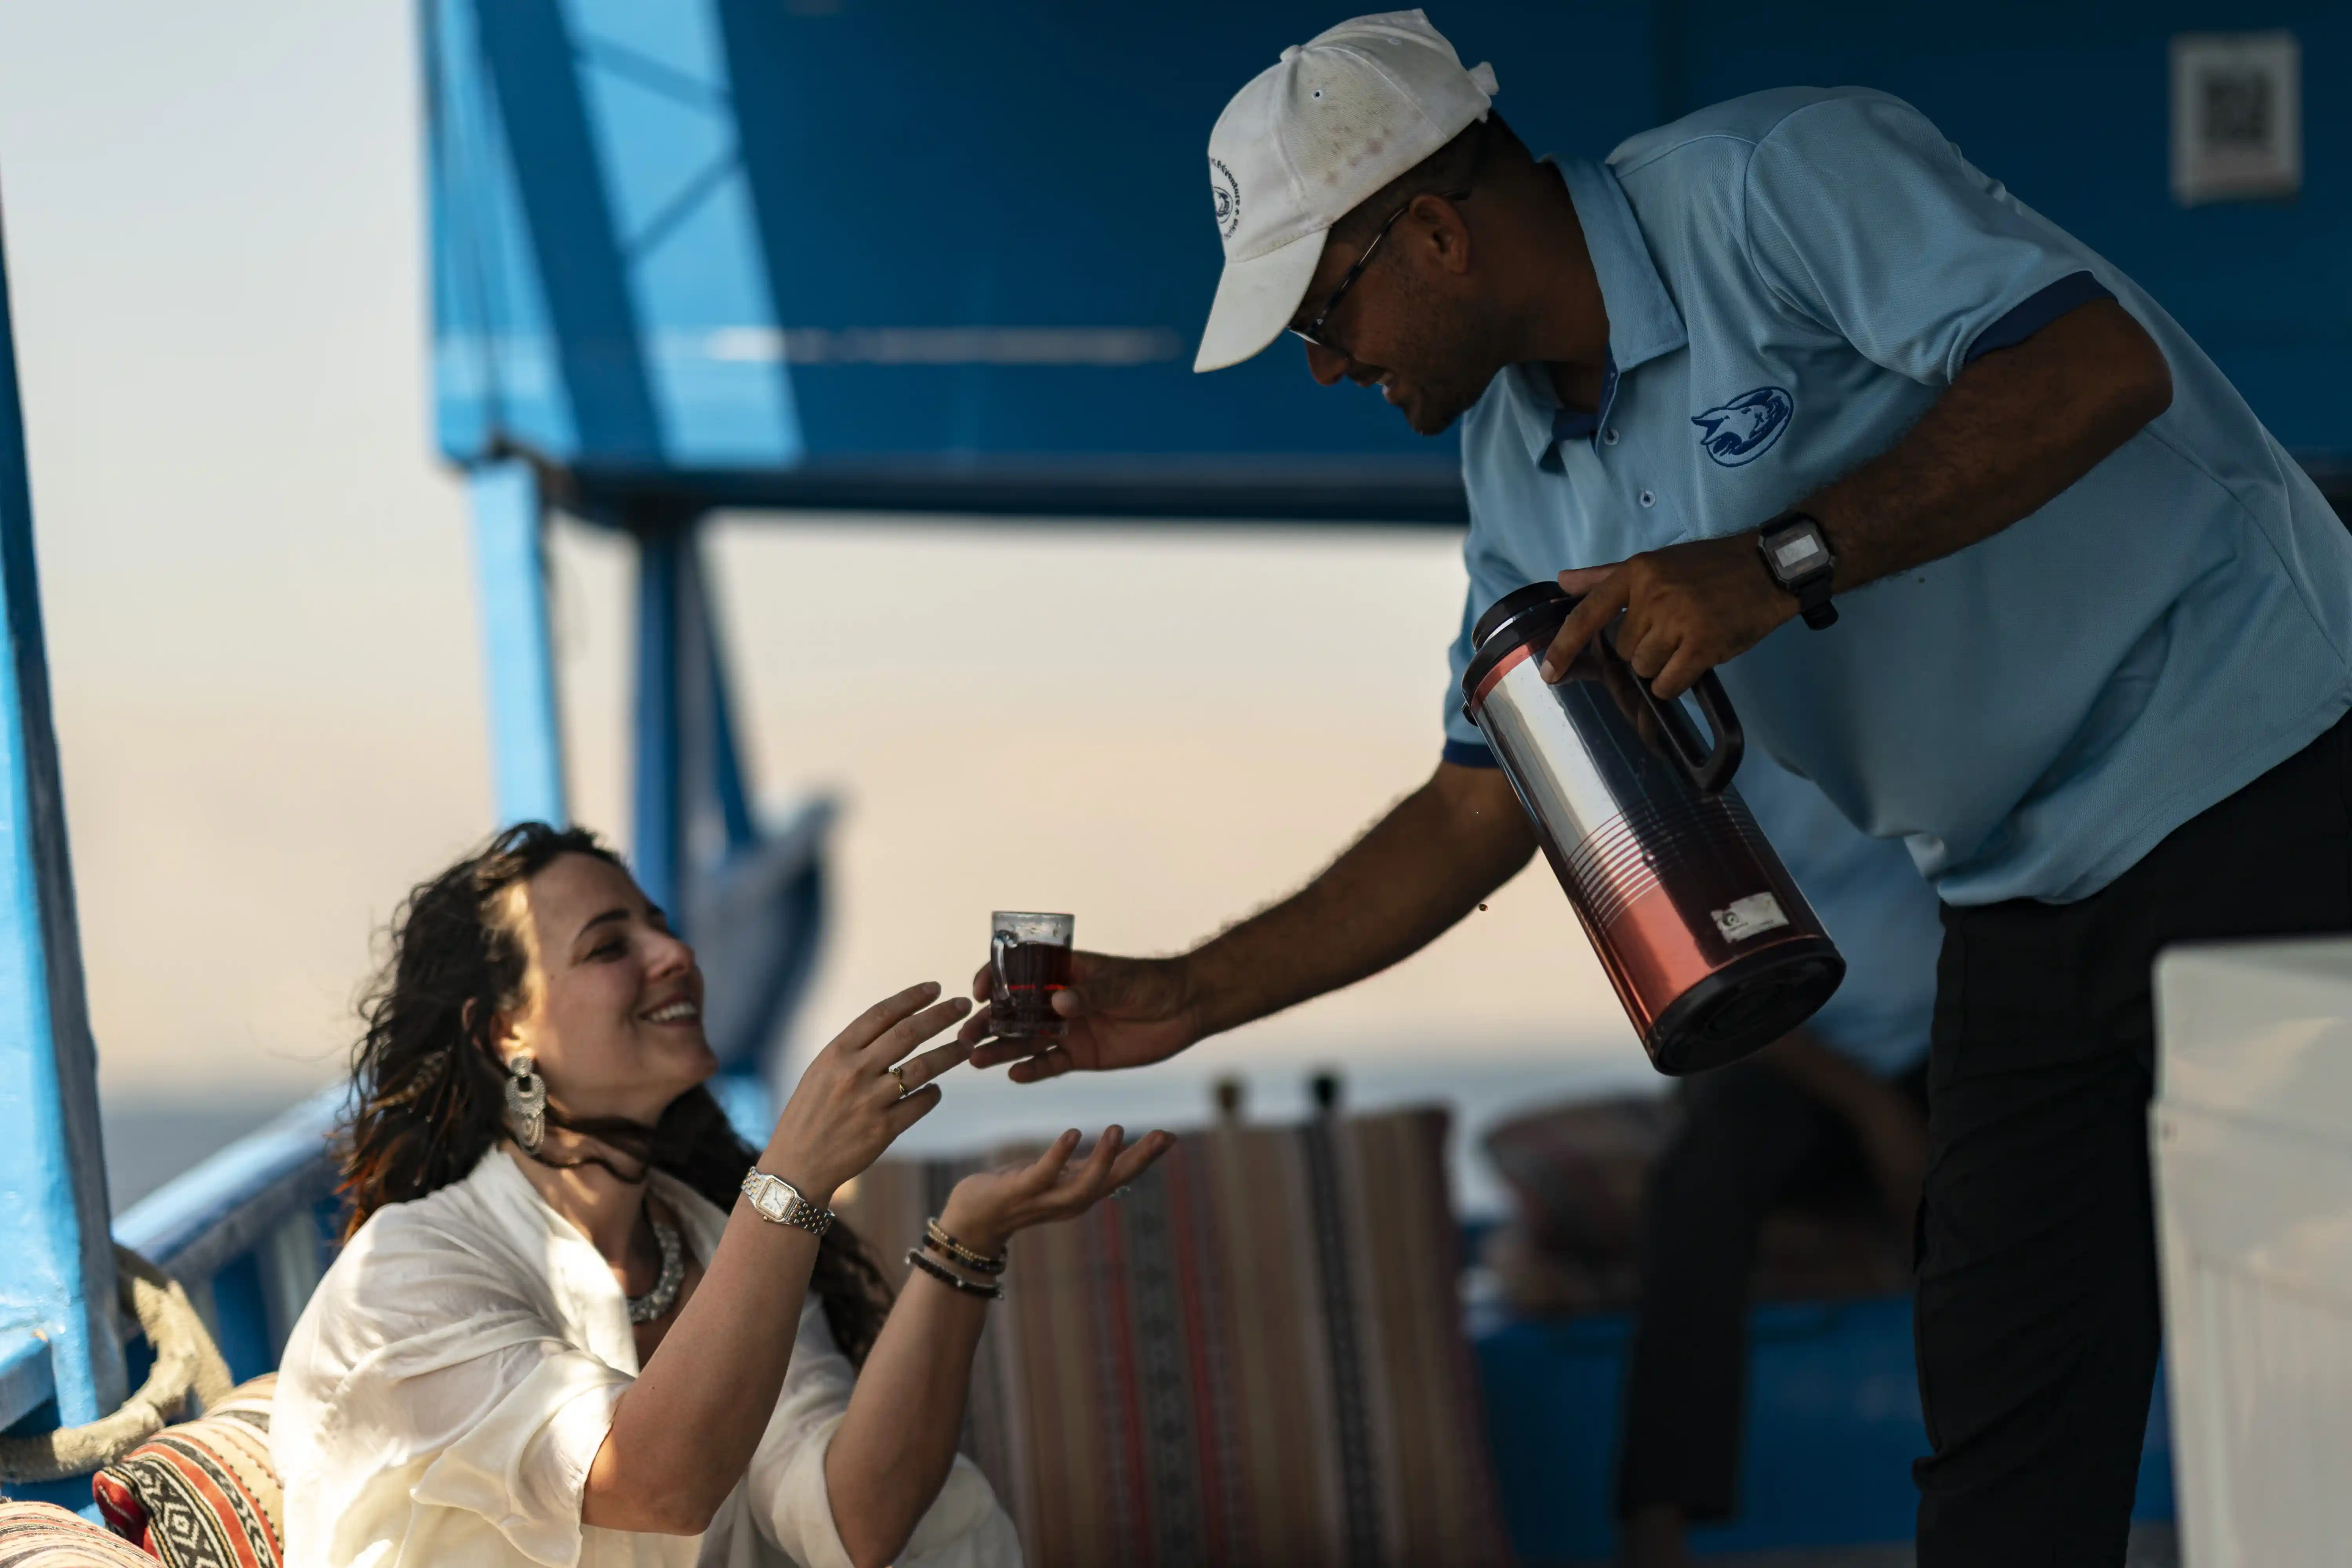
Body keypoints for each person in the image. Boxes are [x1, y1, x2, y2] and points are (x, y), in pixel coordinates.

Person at [965, 12, 2352, 1564]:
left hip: (2260, 777)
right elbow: (1487, 795)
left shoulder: (1773, 182)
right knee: (2002, 1466)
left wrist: (1776, 562)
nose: (1323, 365)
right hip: (2013, 890)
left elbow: (2100, 365)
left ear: (1432, 229)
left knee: (2314, 1388)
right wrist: (1187, 996)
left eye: (1323, 311)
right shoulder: (1513, 460)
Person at [274, 822, 1172, 1568]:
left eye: (660, 925)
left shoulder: (706, 1232)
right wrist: (791, 1182)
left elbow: (848, 1520)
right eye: (609, 945)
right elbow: (656, 1478)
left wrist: (966, 1242)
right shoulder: (408, 1272)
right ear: (507, 1029)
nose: (675, 953)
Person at [1616, 752, 1936, 1568]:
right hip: (1782, 1048)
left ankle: (1994, 1487)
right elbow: (1708, 970)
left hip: (1944, 1040)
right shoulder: (1714, 736)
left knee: (2027, 1165)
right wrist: (1873, 1111)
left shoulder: (1932, 705)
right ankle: (1658, 1522)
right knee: (1700, 1175)